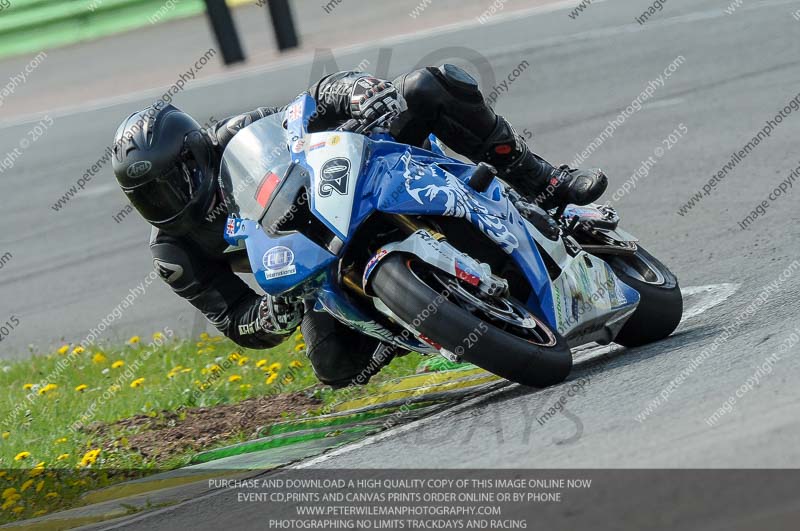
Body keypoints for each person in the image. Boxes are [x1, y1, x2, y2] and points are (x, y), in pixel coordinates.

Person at [111, 64, 607, 388]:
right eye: (147, 196)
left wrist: (359, 95)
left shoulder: (236, 134)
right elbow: (236, 319)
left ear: (194, 154)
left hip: (361, 181)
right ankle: (410, 318)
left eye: (171, 183)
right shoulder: (174, 251)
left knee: (427, 87)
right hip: (314, 269)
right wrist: (270, 316)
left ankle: (543, 181)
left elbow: (311, 102)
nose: (164, 203)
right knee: (334, 367)